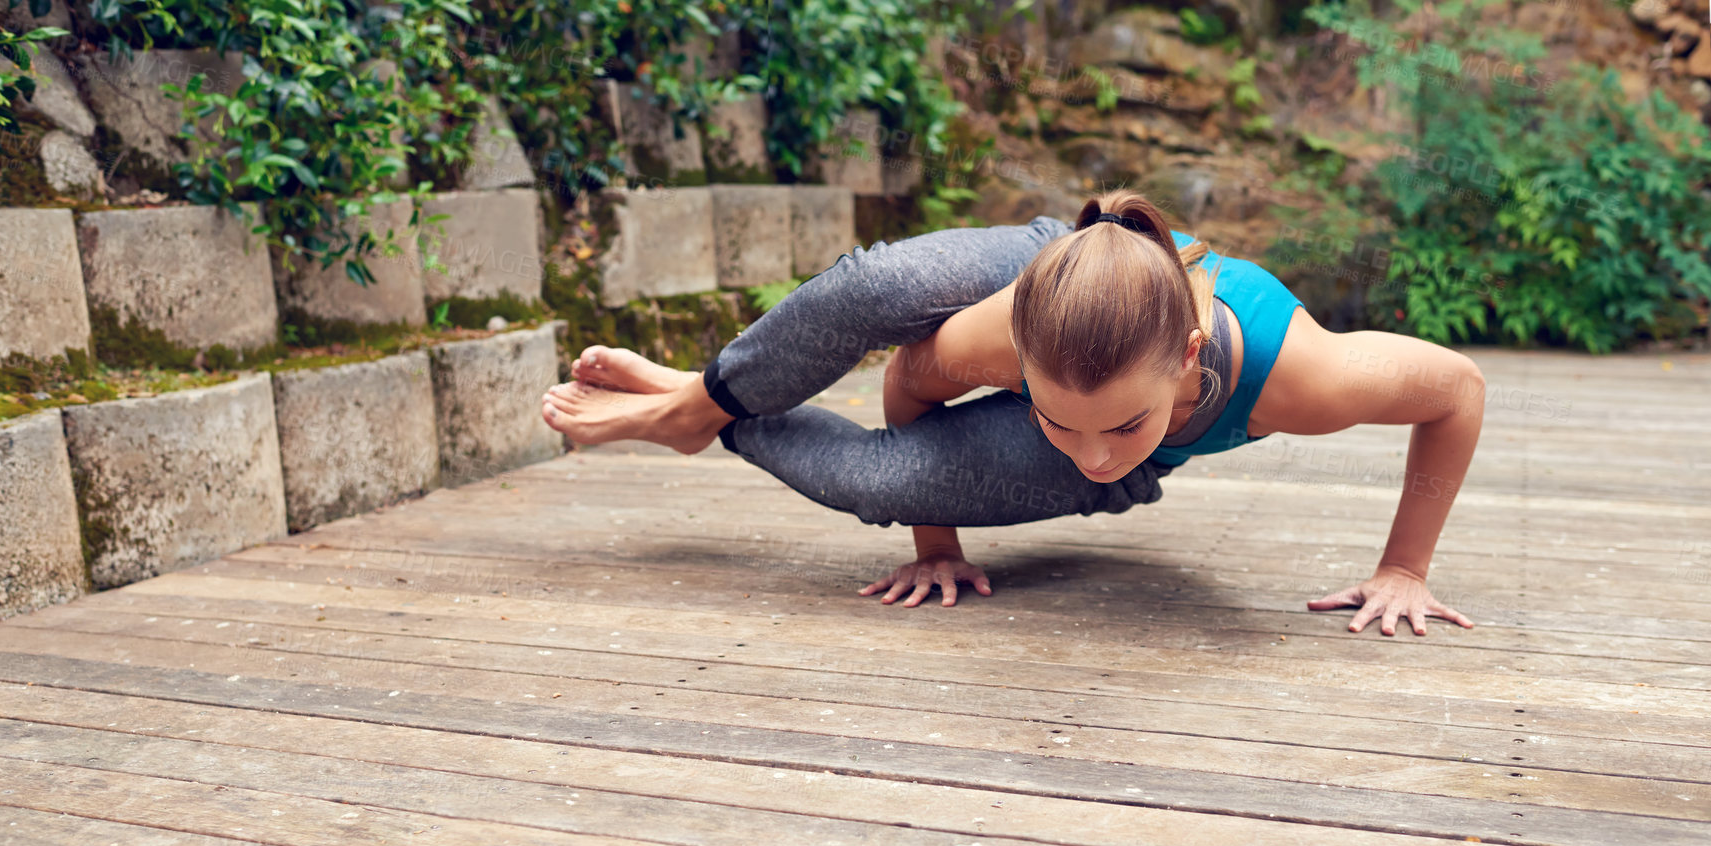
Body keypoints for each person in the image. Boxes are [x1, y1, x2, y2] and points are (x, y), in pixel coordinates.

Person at [541, 190, 1483, 638]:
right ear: (1020, 364)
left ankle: (706, 412)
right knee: (877, 287)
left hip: (1123, 320)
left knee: (878, 478)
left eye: (1124, 426)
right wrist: (934, 540)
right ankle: (690, 403)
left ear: (1189, 364)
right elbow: (912, 382)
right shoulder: (996, 332)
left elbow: (1457, 391)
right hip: (1054, 274)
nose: (1095, 455)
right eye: (1058, 419)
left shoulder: (1303, 377)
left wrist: (1404, 566)